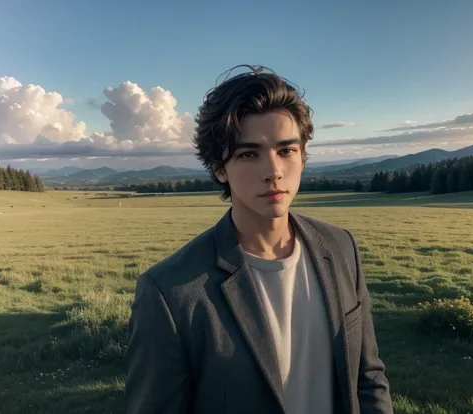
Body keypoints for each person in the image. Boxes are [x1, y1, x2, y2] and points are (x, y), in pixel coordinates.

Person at [123, 65, 393, 414]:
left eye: (286, 150)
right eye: (249, 154)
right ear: (219, 168)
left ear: (303, 156)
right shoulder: (169, 292)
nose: (273, 171)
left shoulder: (341, 247)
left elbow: (368, 378)